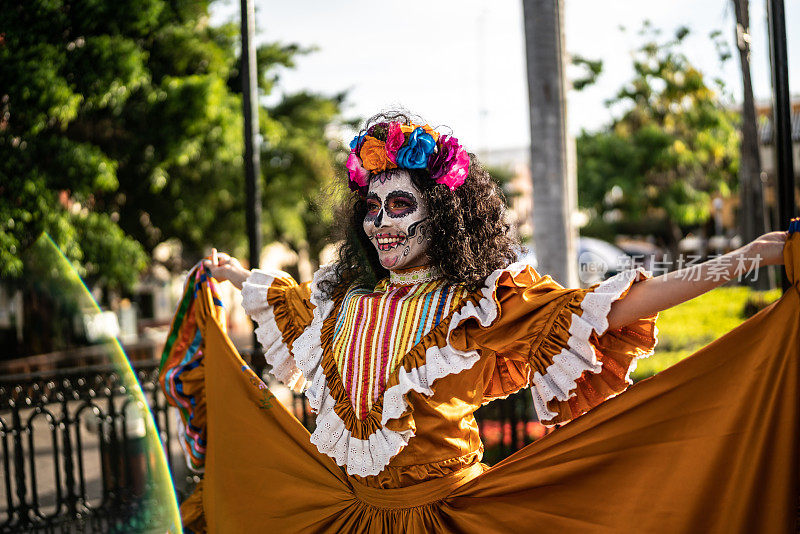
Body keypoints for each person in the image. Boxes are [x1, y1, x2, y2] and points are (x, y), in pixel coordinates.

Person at [161, 112, 799, 533]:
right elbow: (291, 305)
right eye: (372, 207)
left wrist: (741, 260)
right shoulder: (344, 300)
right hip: (347, 517)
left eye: (401, 205)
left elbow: (612, 306)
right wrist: (235, 275)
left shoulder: (479, 301)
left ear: (439, 214)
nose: (381, 222)